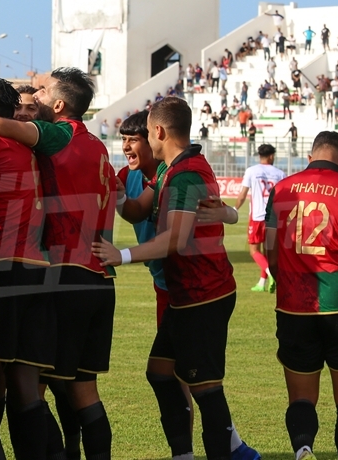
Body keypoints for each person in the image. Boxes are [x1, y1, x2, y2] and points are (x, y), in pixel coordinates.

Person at [0, 69, 119, 460]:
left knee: (7, 382)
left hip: (60, 270)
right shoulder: (96, 147)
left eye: (40, 92)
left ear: (59, 105)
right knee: (66, 388)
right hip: (90, 275)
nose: (33, 100)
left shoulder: (60, 135)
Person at [91, 97, 244, 460]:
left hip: (204, 294)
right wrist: (103, 183)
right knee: (161, 373)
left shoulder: (184, 174)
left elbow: (175, 239)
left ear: (157, 132)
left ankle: (227, 451)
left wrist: (122, 255)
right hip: (184, 294)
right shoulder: (169, 169)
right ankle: (184, 455)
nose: (140, 141)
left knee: (206, 389)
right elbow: (138, 208)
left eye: (144, 134)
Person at [265, 131, 338, 460]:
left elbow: (270, 254)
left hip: (292, 305)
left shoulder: (283, 189)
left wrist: (285, 282)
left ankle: (303, 450)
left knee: (300, 397)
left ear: (310, 156)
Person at [234, 144, 286, 292]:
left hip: (257, 216)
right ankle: (262, 283)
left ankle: (269, 273)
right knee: (267, 250)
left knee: (254, 250)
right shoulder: (280, 174)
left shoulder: (252, 171)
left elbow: (243, 194)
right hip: (273, 218)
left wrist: (234, 209)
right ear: (271, 156)